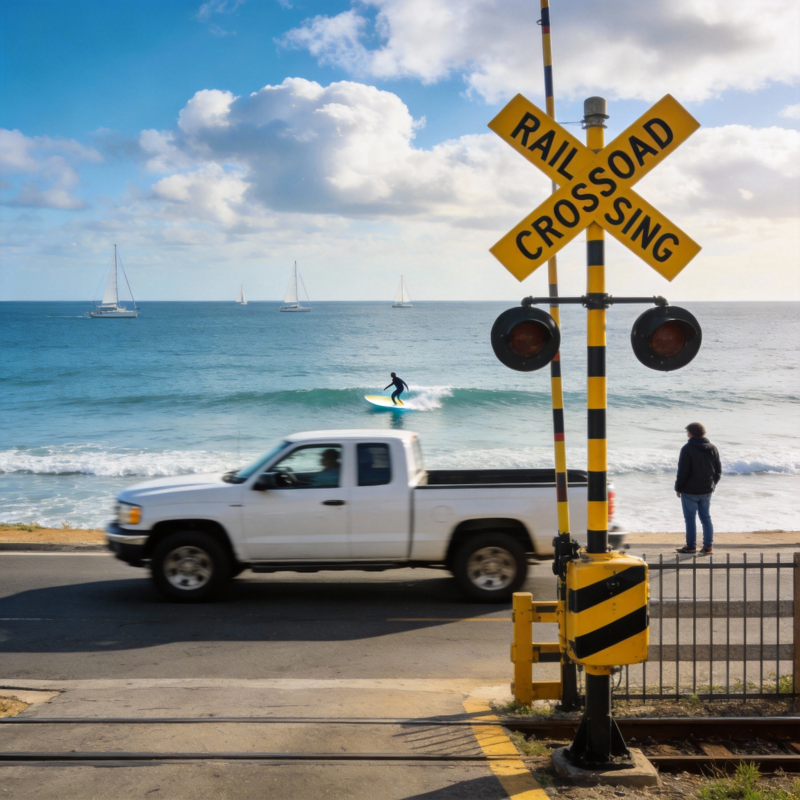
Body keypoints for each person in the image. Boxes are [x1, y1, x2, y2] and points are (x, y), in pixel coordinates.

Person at [675, 422, 721, 555]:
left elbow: (683, 471)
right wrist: (712, 484)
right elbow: (718, 470)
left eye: (688, 432)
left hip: (689, 491)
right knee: (706, 517)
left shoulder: (687, 448)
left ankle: (691, 546)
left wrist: (678, 488)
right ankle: (708, 547)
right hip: (706, 489)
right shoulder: (712, 448)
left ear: (691, 433)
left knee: (690, 519)